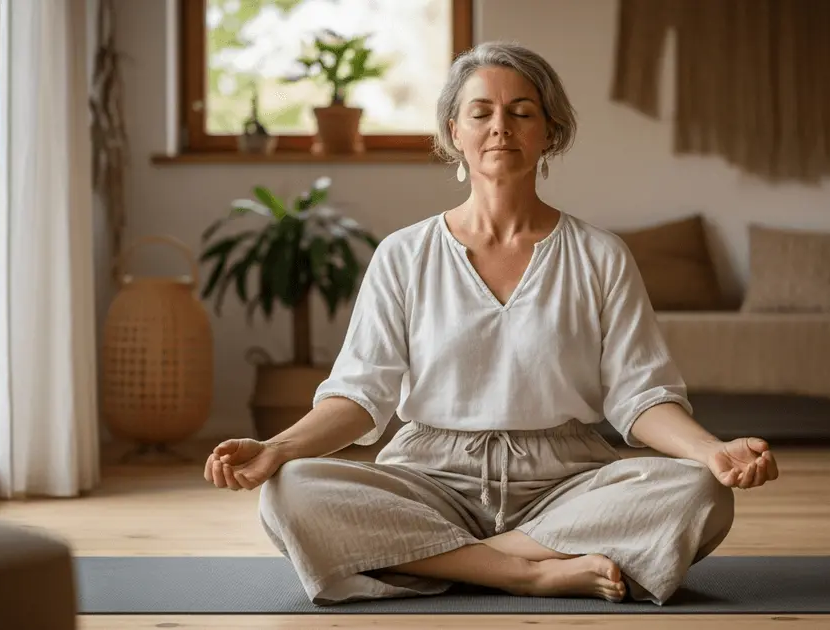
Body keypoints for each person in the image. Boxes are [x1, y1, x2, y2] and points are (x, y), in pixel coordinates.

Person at [203, 41, 779, 606]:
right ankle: (524, 572)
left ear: (550, 132)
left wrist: (711, 451)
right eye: (481, 113)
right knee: (291, 493)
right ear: (455, 133)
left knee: (700, 491)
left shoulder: (601, 255)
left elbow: (640, 395)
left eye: (521, 112)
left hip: (567, 479)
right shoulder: (404, 255)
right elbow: (359, 396)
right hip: (429, 477)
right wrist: (277, 448)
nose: (500, 126)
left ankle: (453, 561)